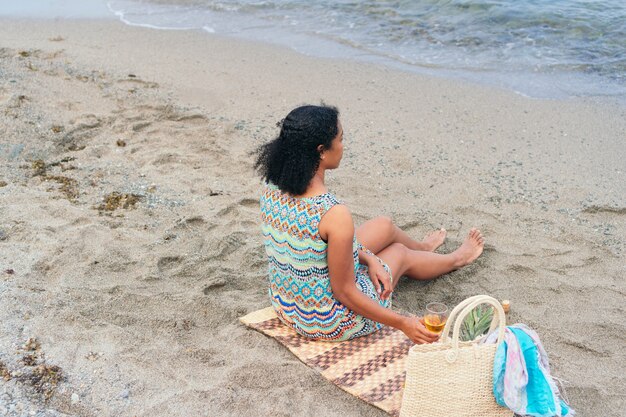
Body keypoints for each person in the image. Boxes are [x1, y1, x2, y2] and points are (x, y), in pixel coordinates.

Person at [254, 104, 484, 344]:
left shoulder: (272, 187)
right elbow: (344, 292)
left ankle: (424, 249)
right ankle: (457, 259)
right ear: (321, 151)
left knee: (384, 226)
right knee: (399, 253)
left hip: (287, 305)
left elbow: (311, 246)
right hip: (327, 321)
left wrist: (369, 258)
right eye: (341, 139)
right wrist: (402, 322)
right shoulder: (332, 212)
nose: (344, 146)